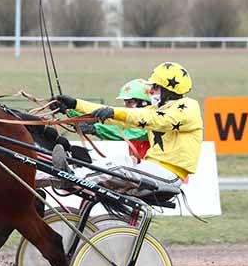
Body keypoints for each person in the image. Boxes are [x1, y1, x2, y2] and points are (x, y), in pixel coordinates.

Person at [52, 62, 203, 195]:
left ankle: (71, 178)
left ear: (169, 89)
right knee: (107, 164)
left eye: (155, 87)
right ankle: (63, 176)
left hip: (169, 175)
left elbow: (157, 121)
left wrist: (112, 115)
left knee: (120, 163)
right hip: (152, 169)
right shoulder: (156, 109)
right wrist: (75, 105)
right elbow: (112, 113)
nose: (150, 91)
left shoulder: (188, 107)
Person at [71, 78, 152, 161]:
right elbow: (108, 119)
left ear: (144, 103)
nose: (125, 105)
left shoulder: (150, 124)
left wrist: (94, 129)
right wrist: (71, 110)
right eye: (125, 101)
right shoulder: (132, 121)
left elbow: (125, 131)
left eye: (129, 102)